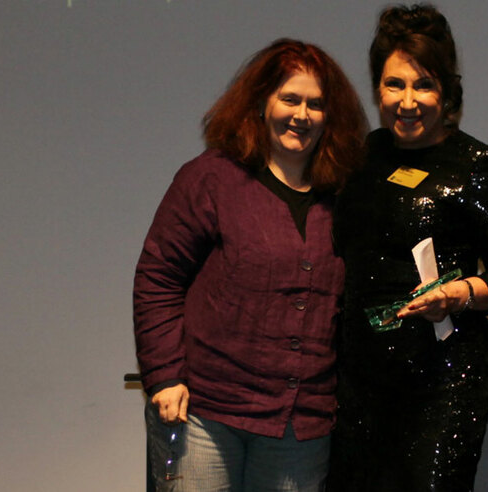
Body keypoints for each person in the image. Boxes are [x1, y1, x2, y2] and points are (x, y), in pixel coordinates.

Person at [133, 38, 366, 491]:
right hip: (205, 411)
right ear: (261, 102)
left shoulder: (346, 196)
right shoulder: (211, 178)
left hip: (300, 426)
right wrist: (163, 376)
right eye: (290, 99)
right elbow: (158, 279)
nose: (302, 114)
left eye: (316, 105)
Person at [329, 4, 488, 491]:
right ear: (377, 86)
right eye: (394, 83)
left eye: (423, 84)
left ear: (447, 89)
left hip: (443, 381)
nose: (408, 100)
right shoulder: (358, 158)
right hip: (358, 380)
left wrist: (460, 292)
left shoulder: (478, 165)